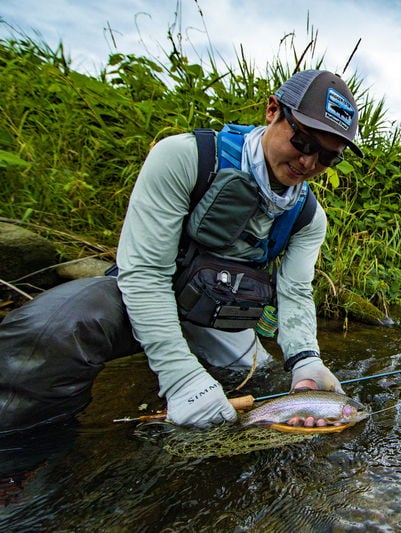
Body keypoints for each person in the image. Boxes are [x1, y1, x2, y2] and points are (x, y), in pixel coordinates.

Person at [115, 69, 363, 429]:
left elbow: (293, 292)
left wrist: (305, 361)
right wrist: (180, 375)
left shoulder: (309, 218)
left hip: (215, 316)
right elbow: (145, 274)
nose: (309, 163)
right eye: (304, 142)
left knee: (262, 377)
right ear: (272, 110)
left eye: (327, 157)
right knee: (59, 330)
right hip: (139, 299)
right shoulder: (183, 158)